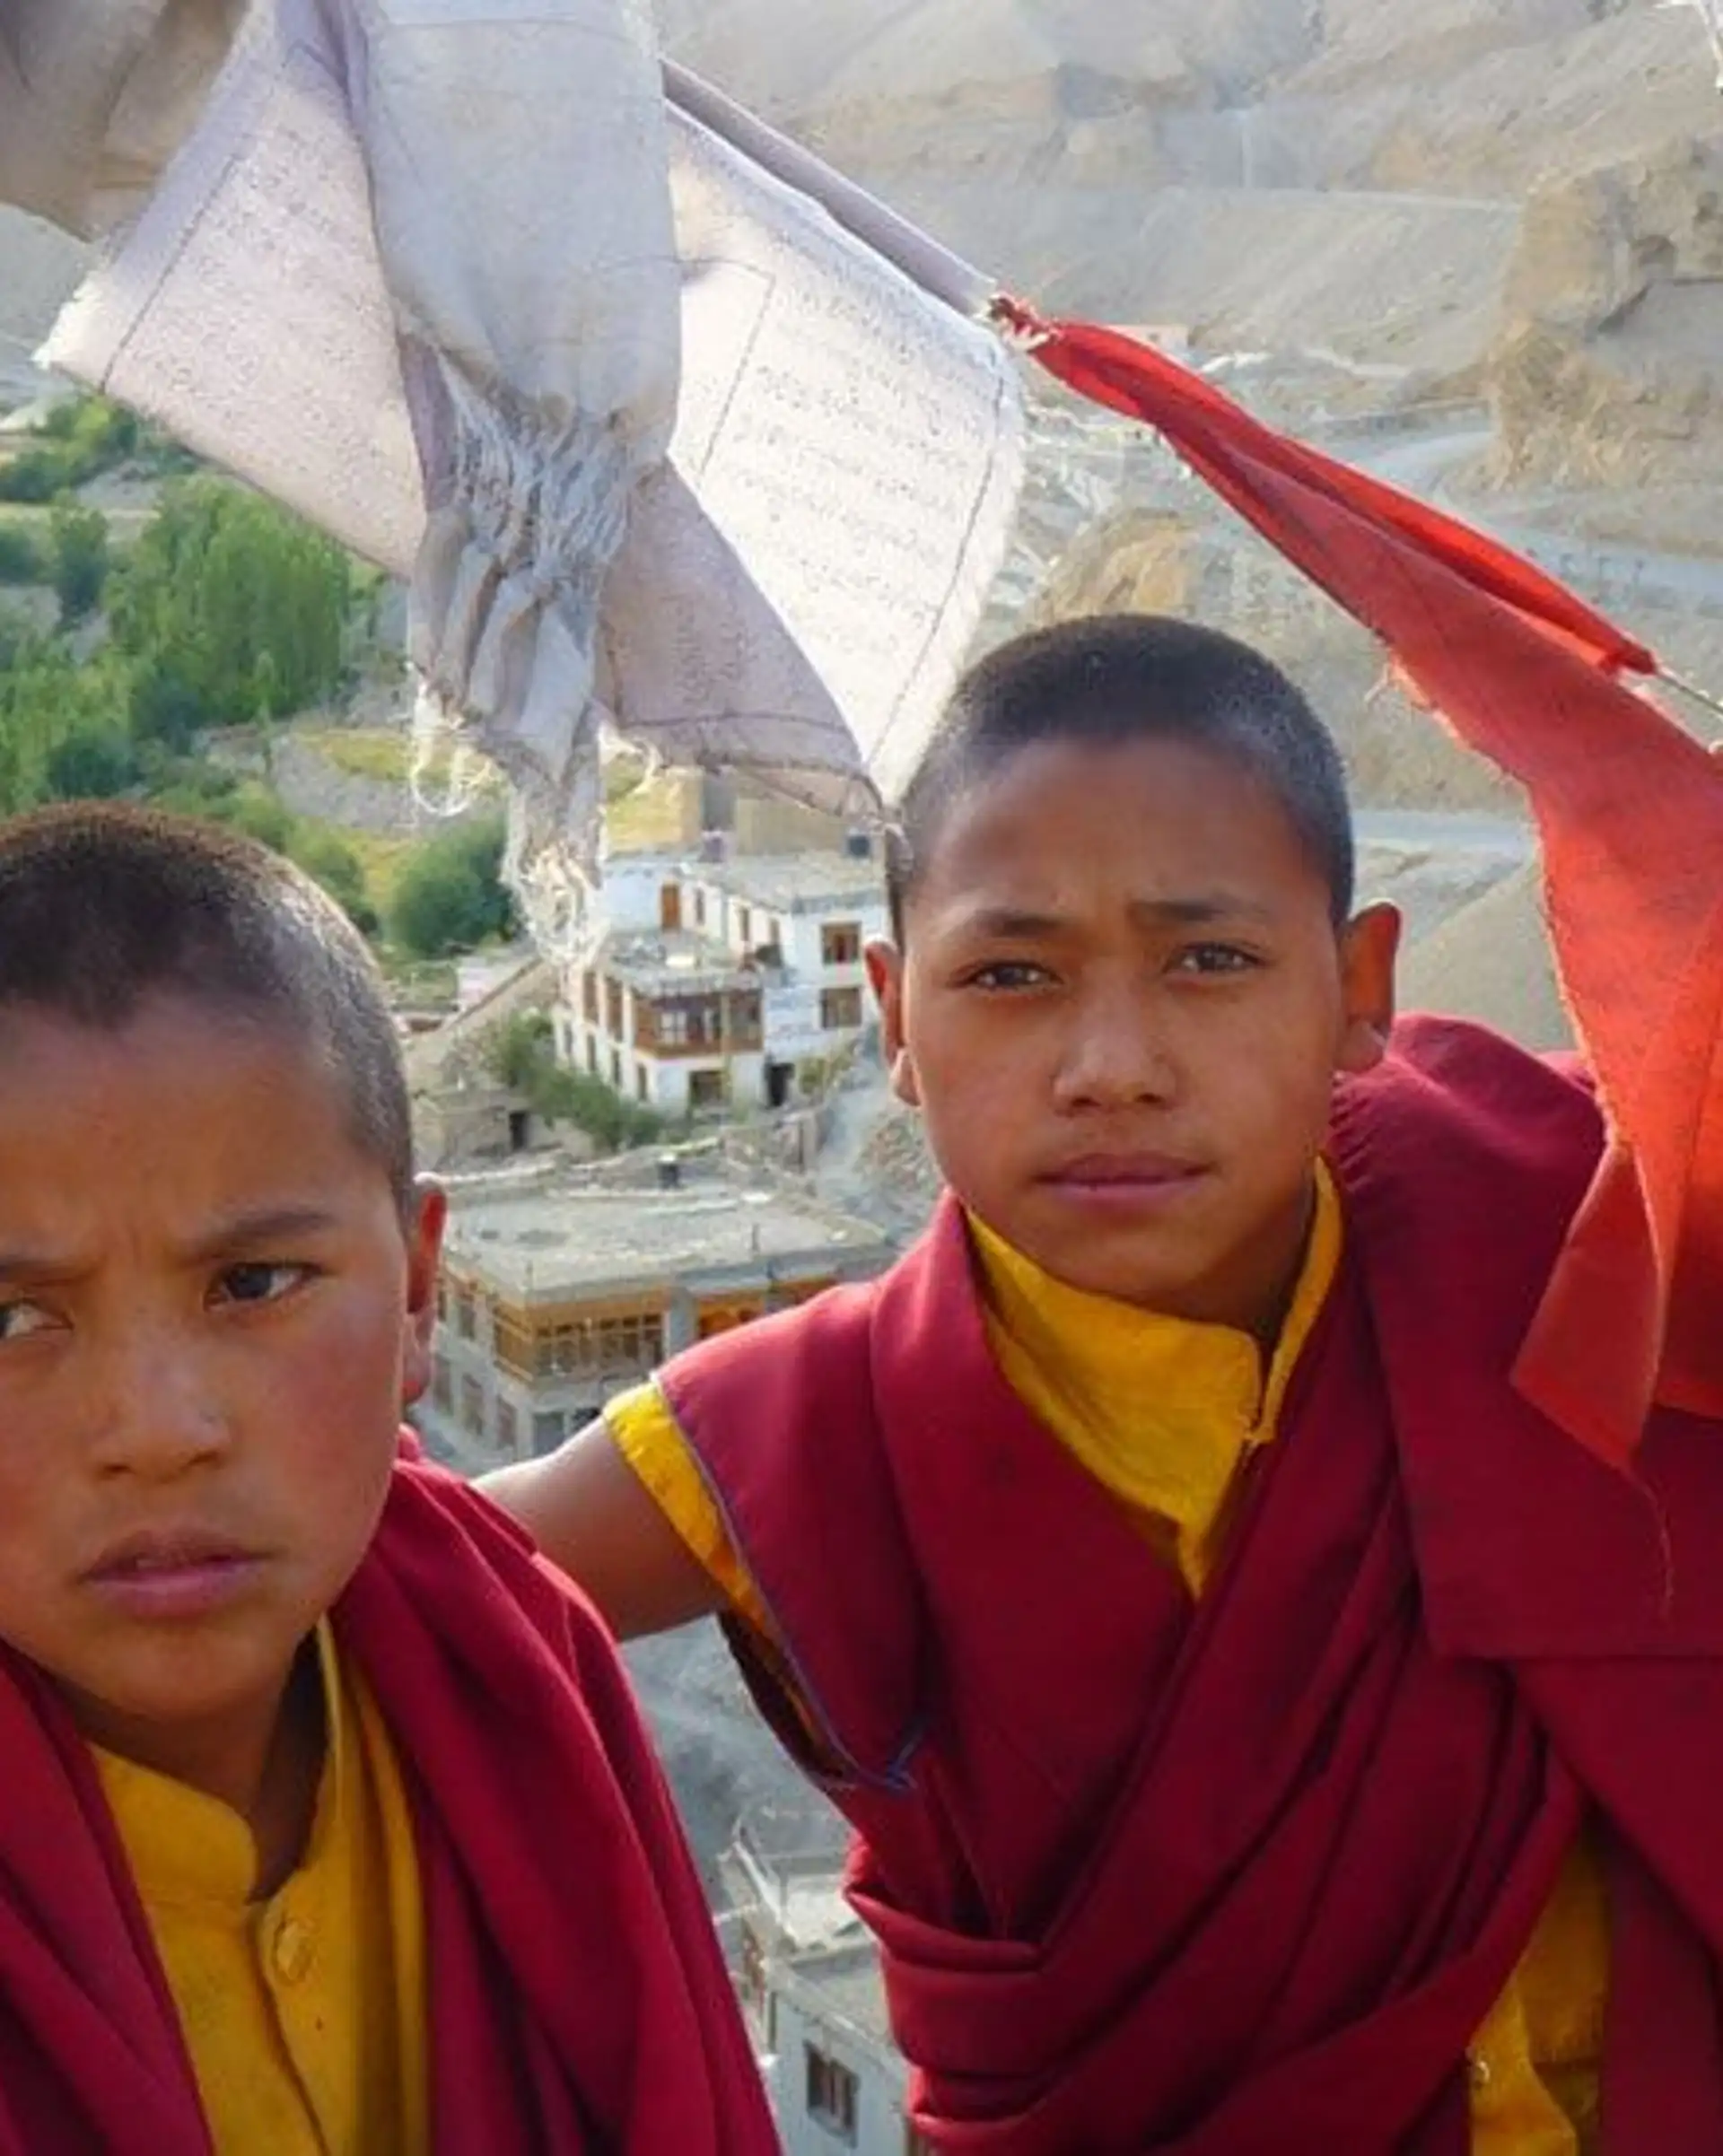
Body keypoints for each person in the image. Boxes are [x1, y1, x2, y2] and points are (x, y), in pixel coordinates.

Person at [489, 614, 1723, 2156]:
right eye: (1012, 973)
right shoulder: (808, 1433)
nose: (1112, 1062)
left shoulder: (1554, 1225)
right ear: (895, 1020)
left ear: (1360, 987)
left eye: (1210, 960)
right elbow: (397, 1582)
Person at [0, 804, 775, 2156]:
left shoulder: (522, 1673)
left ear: (421, 1291)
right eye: (13, 1319)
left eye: (253, 1284)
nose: (158, 1426)